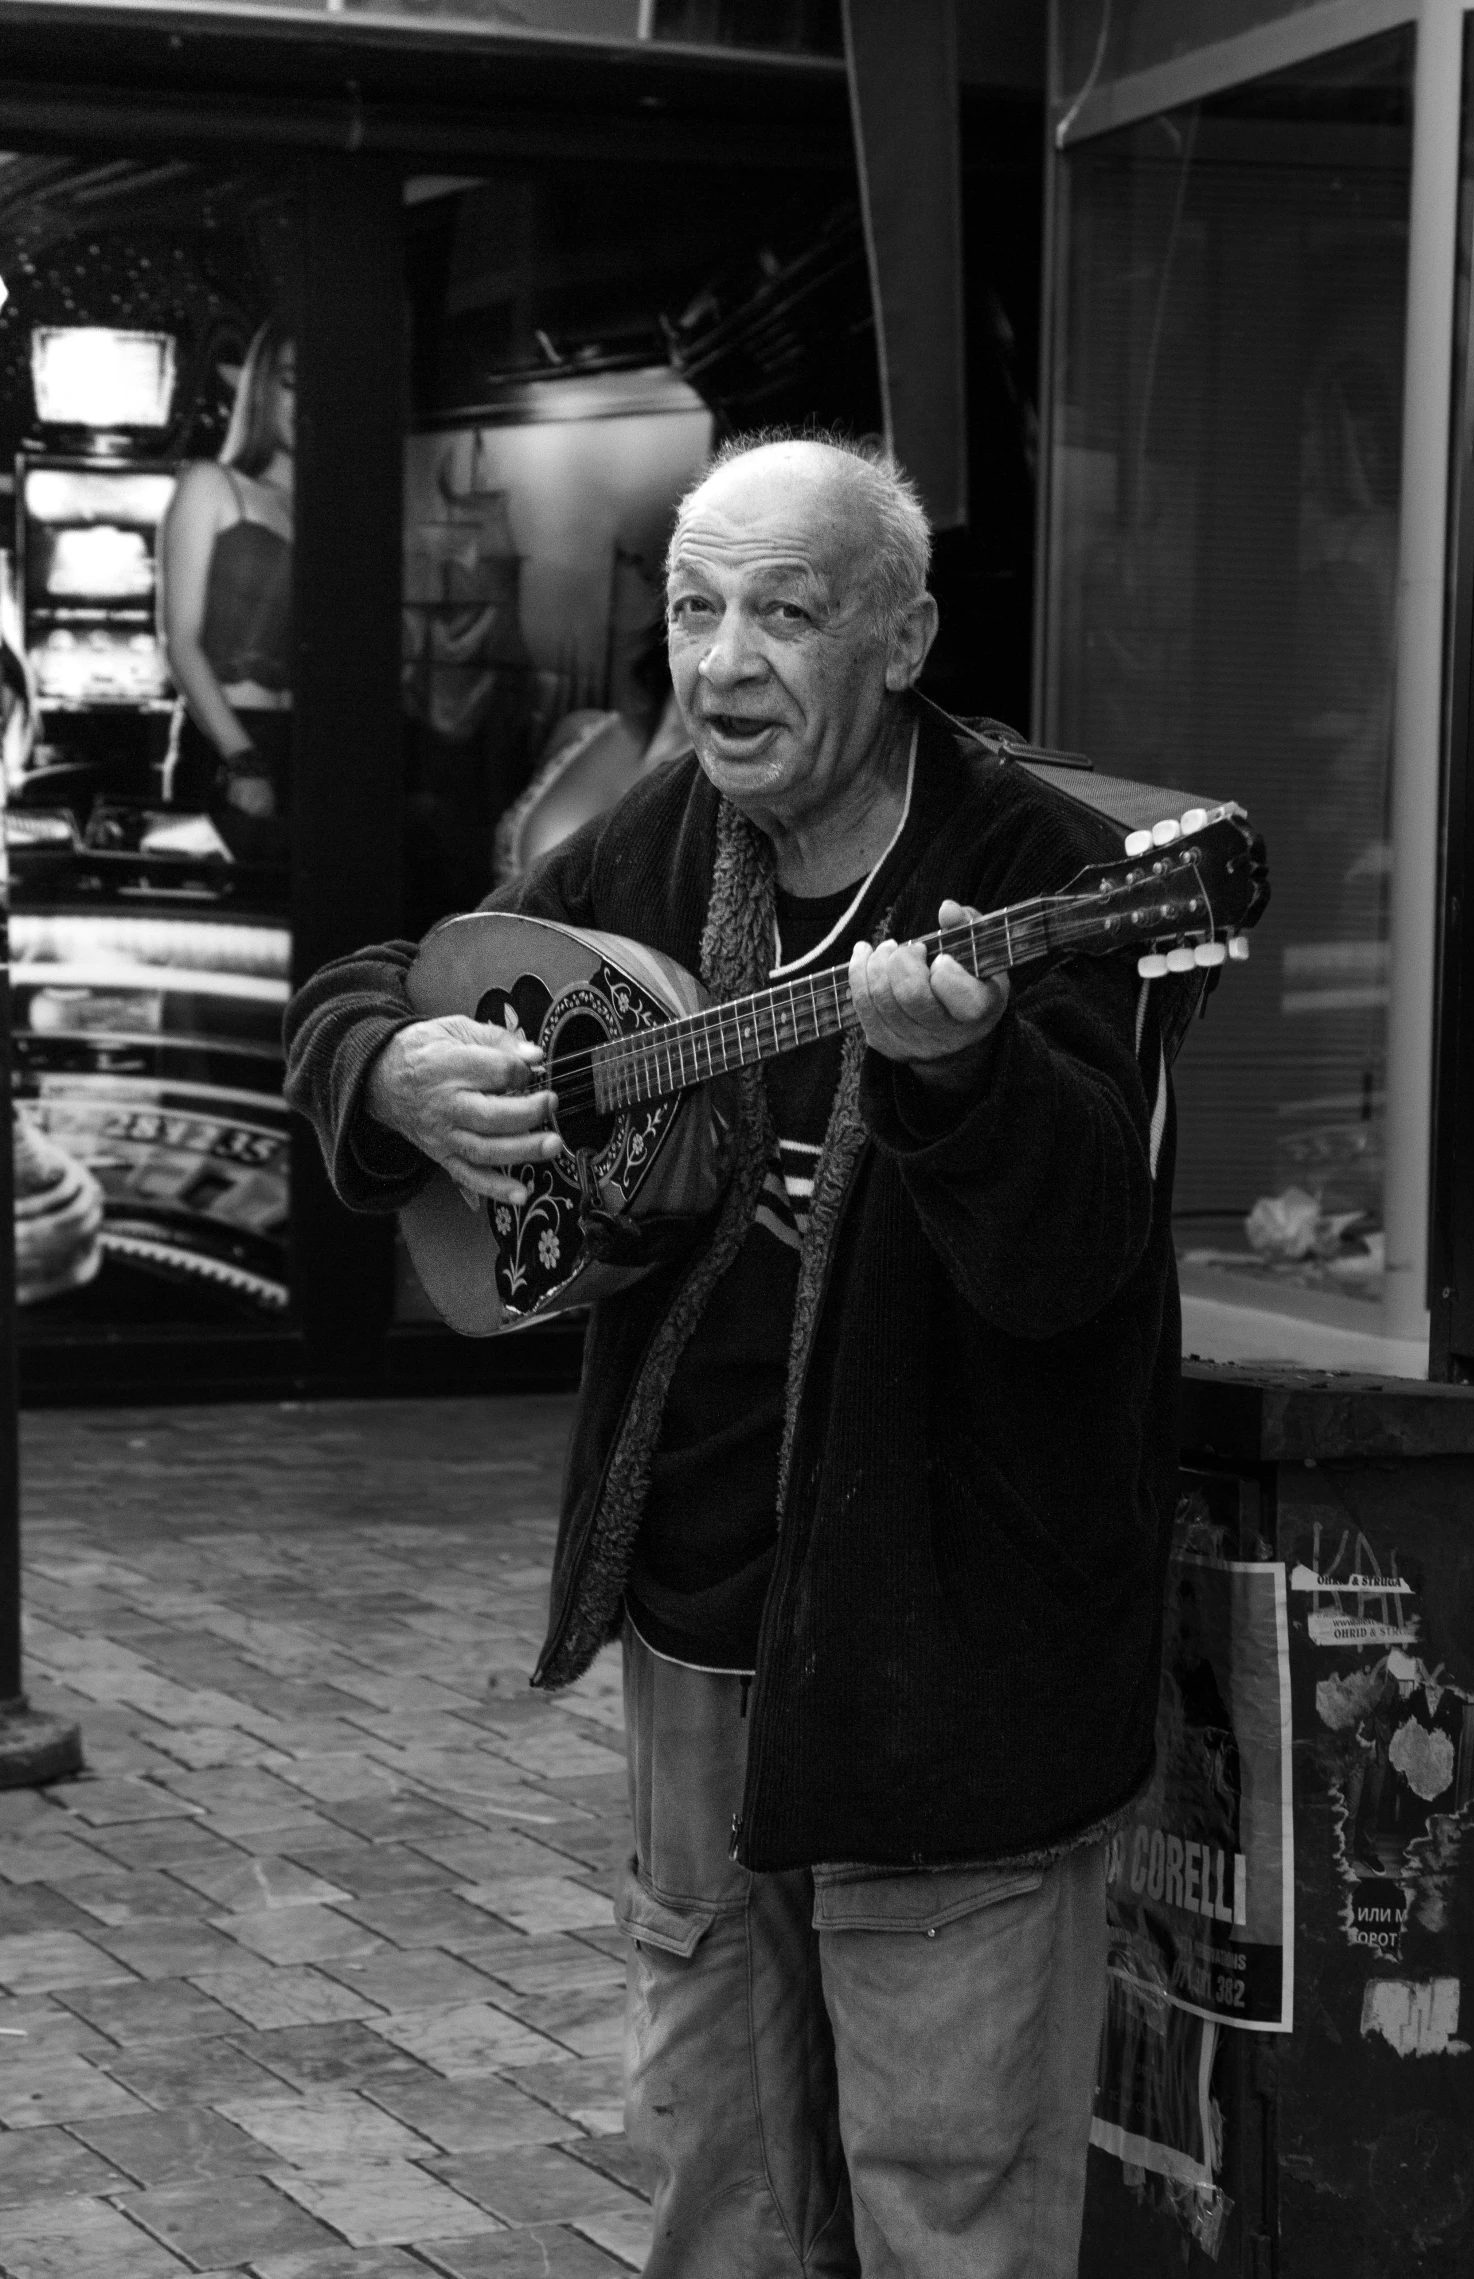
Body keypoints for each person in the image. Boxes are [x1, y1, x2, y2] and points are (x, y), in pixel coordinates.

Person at [285, 432, 1181, 2277]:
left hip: (951, 1669)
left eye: (786, 611)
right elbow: (399, 976)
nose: (722, 663)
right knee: (719, 2188)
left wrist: (959, 1076)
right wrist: (383, 1071)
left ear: (905, 633)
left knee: (950, 2204)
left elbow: (1078, 1250)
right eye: (695, 610)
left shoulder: (1046, 873)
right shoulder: (661, 831)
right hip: (696, 1637)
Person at [159, 315, 295, 861]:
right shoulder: (210, 484)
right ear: (262, 388)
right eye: (290, 382)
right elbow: (179, 641)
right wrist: (242, 758)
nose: (303, 402)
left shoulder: (335, 510)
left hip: (308, 747)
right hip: (224, 742)